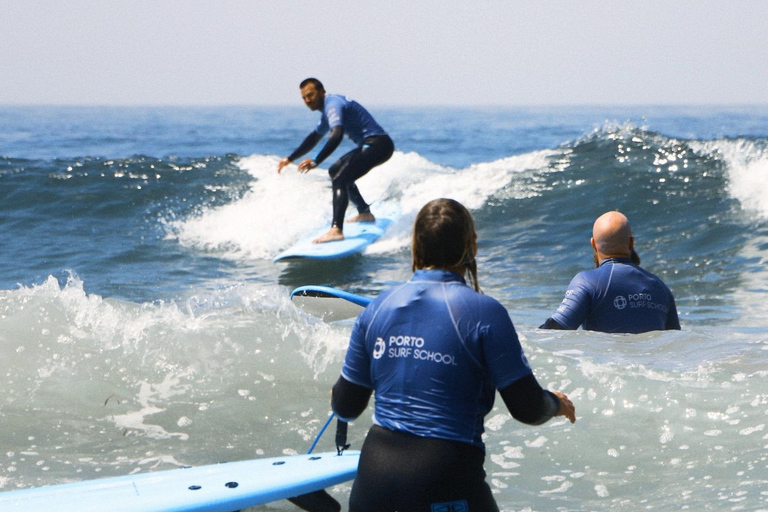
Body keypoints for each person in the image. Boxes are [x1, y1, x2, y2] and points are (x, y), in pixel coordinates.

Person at [331, 198, 576, 512]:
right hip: (444, 477)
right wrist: (555, 403)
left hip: (373, 481)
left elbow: (346, 406)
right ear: (471, 244)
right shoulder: (484, 312)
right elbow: (527, 408)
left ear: (414, 245)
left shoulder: (377, 307)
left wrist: (335, 395)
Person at [277, 78, 395, 243]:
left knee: (341, 177)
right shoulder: (327, 111)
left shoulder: (333, 104)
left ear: (322, 92)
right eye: (304, 98)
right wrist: (290, 158)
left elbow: (336, 134)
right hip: (373, 145)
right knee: (335, 171)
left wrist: (316, 160)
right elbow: (314, 137)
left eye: (310, 95)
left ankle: (336, 230)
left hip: (378, 145)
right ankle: (364, 213)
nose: (307, 100)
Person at [540, 211, 681, 333]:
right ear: (631, 243)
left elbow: (555, 329)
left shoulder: (587, 282)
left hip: (607, 363)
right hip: (650, 363)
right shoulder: (661, 288)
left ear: (593, 244)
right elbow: (675, 343)